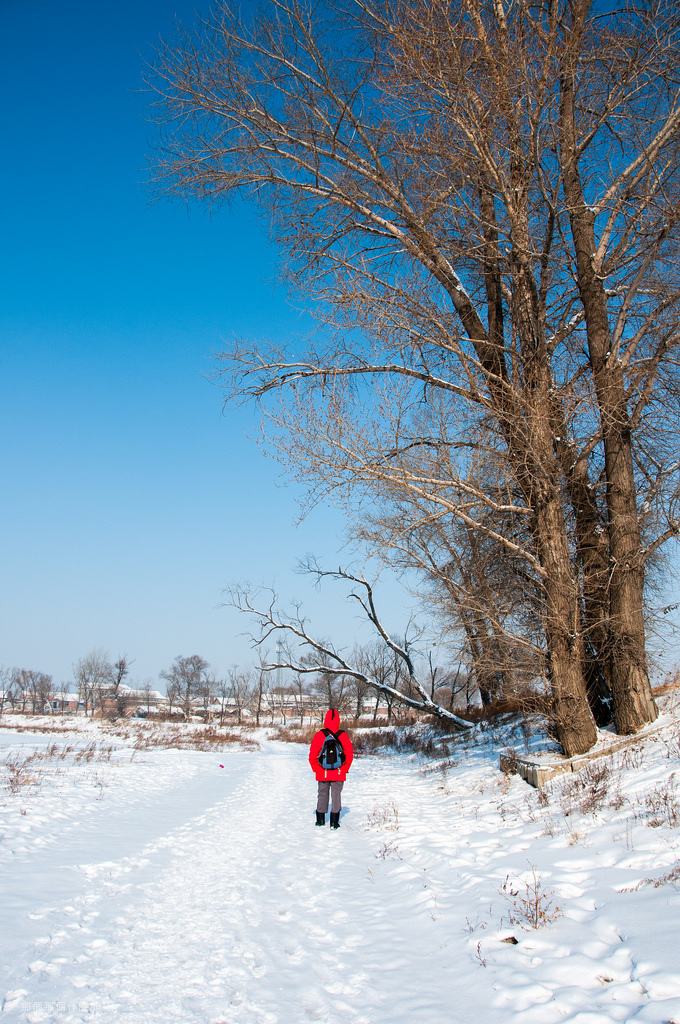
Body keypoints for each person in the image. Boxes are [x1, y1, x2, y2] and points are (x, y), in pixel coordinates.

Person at [308, 708, 353, 829]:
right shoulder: (342, 735)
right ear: (338, 720)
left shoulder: (320, 735)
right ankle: (334, 822)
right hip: (338, 772)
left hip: (323, 772)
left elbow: (312, 754)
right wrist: (343, 769)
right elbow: (349, 753)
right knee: (336, 796)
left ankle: (320, 820)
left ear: (325, 720)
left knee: (322, 794)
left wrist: (317, 769)